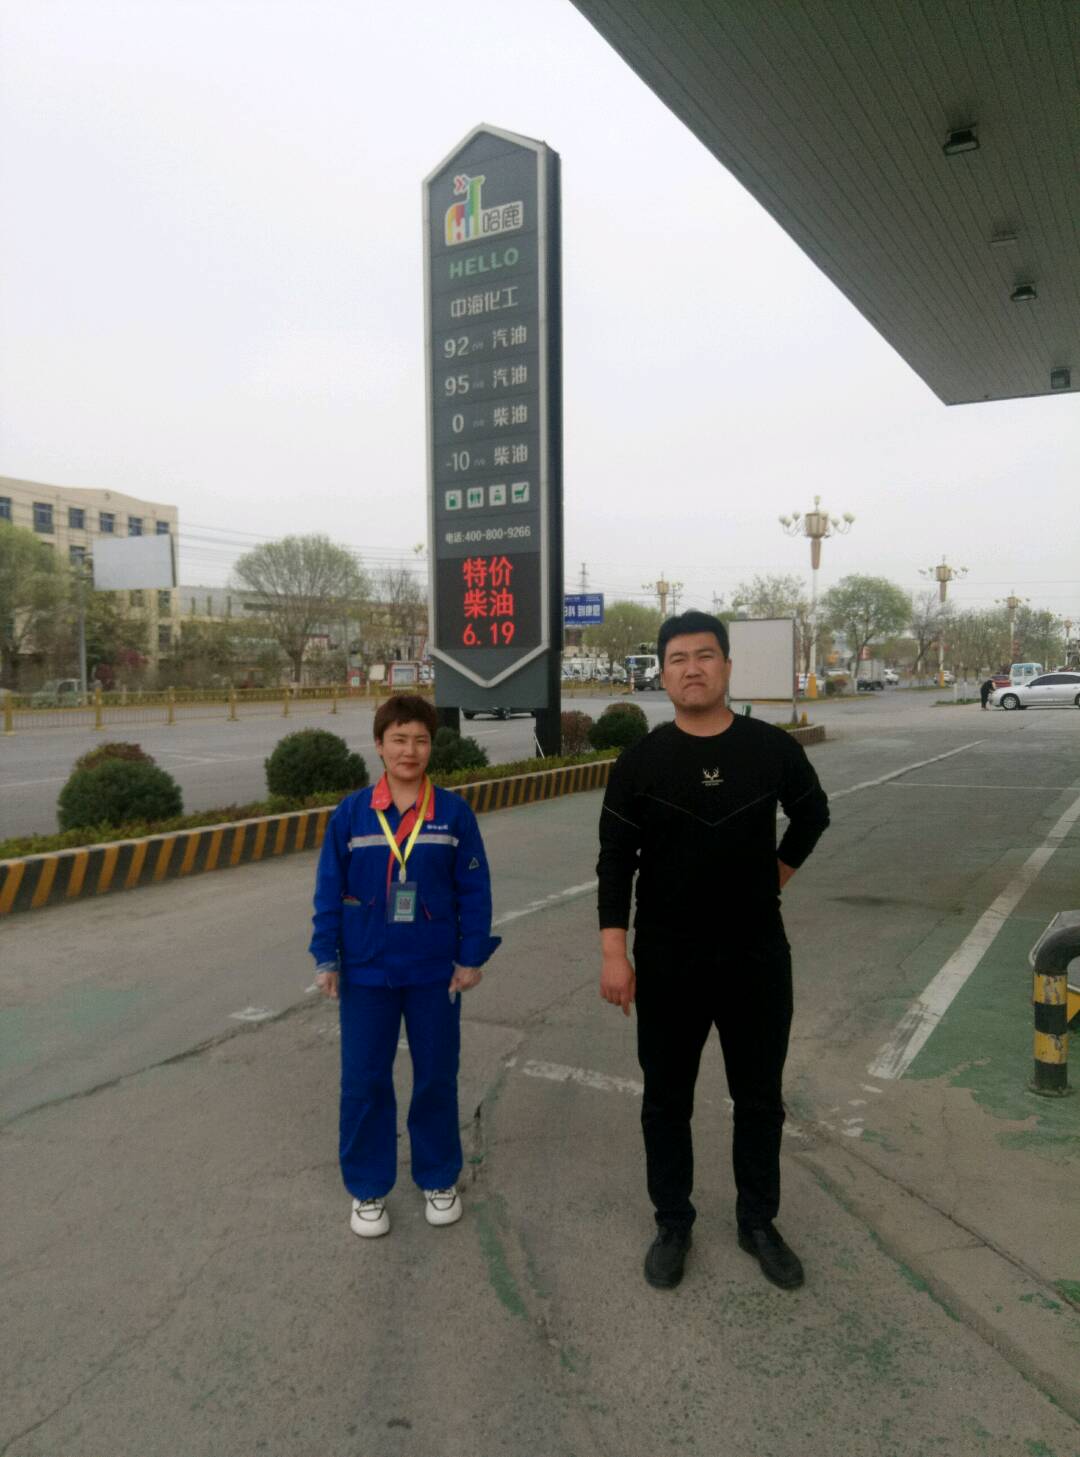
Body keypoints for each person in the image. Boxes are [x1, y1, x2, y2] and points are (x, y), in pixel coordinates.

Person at [597, 611, 829, 1292]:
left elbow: (813, 814)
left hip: (756, 956)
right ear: (663, 673)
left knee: (759, 1098)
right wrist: (615, 953)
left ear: (727, 666)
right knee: (666, 1100)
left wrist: (773, 876)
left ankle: (758, 1222)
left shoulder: (769, 748)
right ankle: (673, 1222)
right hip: (669, 957)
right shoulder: (640, 761)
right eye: (678, 658)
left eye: (704, 655)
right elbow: (616, 860)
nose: (691, 668)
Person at [310, 694, 500, 1239]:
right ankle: (368, 1188)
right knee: (365, 1080)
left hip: (433, 971)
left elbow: (474, 890)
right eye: (398, 739)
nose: (409, 750)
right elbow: (328, 889)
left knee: (436, 1075)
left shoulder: (453, 814)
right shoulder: (351, 815)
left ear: (431, 746)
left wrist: (470, 957)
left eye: (420, 740)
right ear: (379, 745)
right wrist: (326, 956)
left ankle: (438, 1177)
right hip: (367, 969)